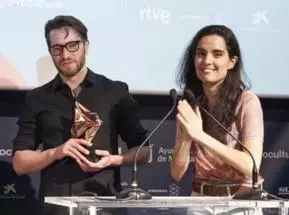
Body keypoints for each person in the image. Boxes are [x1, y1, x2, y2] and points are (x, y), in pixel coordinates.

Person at [12, 15, 149, 215]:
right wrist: (56, 152)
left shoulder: (115, 92)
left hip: (106, 207)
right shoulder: (36, 98)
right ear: (50, 52)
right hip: (55, 209)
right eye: (57, 48)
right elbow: (19, 163)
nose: (65, 55)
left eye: (73, 45)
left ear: (87, 45)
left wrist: (113, 160)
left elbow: (144, 151)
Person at [170, 25, 264, 215]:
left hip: (241, 201)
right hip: (200, 200)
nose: (207, 61)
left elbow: (250, 165)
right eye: (201, 53)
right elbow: (177, 173)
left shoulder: (247, 101)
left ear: (232, 61)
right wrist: (188, 138)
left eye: (217, 54)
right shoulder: (190, 102)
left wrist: (200, 135)